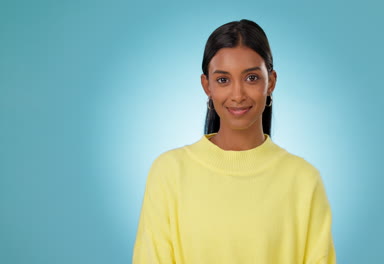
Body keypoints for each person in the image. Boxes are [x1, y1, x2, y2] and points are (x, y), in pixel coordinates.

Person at [132, 19, 336, 264]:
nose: (238, 95)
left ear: (270, 82)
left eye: (251, 78)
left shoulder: (304, 180)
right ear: (206, 85)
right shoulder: (169, 172)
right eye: (223, 80)